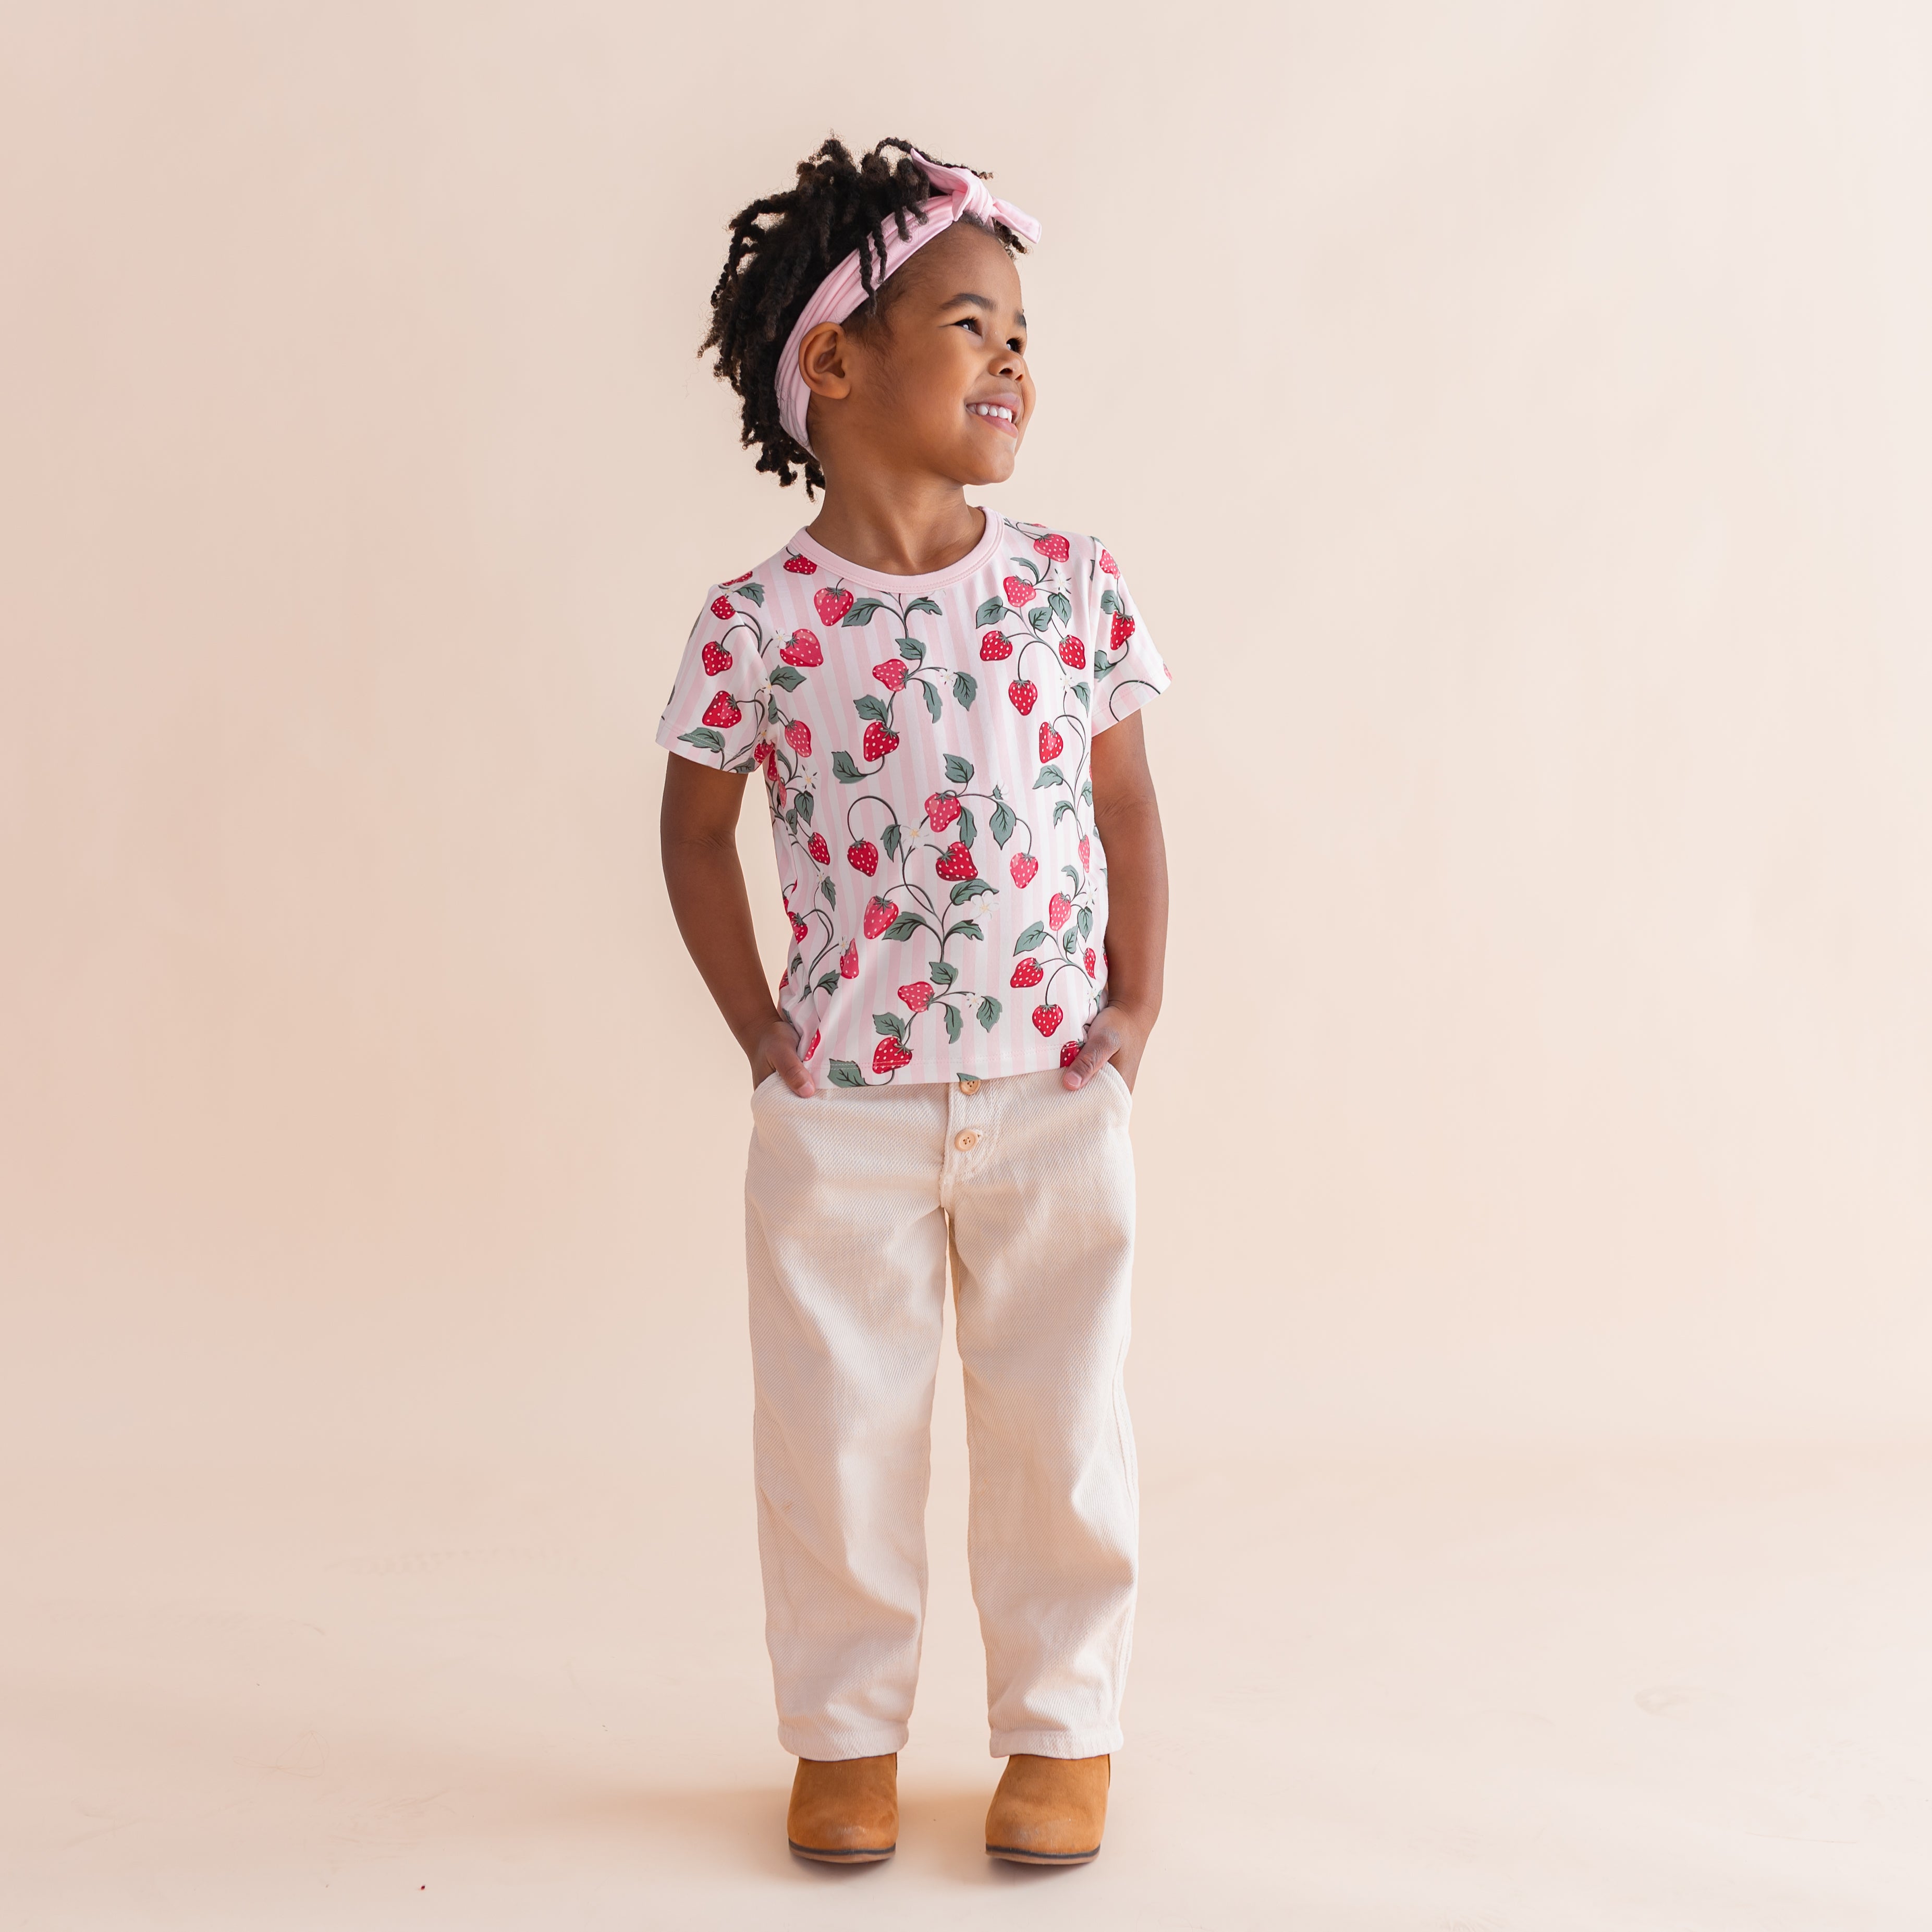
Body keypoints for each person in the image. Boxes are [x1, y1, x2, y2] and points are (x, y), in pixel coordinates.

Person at [656, 135, 1170, 1868]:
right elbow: (694, 828)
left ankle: (1062, 1726)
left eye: (1022, 329)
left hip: (1044, 1089)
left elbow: (1124, 807)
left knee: (1058, 1426)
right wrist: (759, 1030)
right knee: (835, 1432)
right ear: (835, 364)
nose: (1014, 359)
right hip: (847, 1117)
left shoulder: (1068, 587)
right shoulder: (759, 625)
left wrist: (1134, 1009)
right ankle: (845, 1735)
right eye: (972, 324)